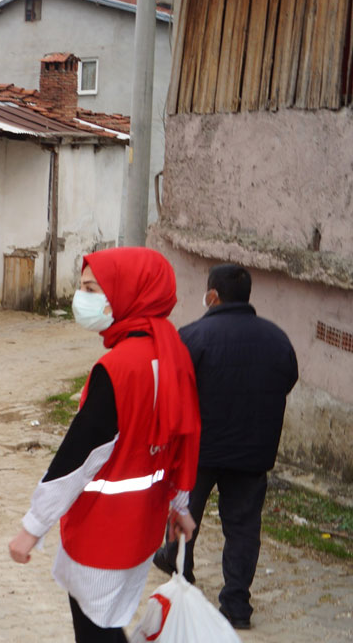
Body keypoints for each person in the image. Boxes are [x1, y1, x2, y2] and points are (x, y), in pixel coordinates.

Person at [8, 247, 201, 643]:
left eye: (93, 288)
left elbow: (78, 457)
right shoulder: (172, 353)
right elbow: (187, 436)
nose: (83, 298)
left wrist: (32, 526)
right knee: (108, 622)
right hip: (142, 526)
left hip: (103, 531)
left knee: (97, 630)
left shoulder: (118, 367)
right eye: (83, 287)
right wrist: (180, 505)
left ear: (127, 291)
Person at [150, 263, 297, 630]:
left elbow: (171, 388)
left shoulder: (193, 336)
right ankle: (236, 605)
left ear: (212, 296)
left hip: (200, 449)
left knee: (185, 512)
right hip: (253, 452)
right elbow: (287, 378)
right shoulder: (277, 339)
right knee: (244, 528)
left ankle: (179, 570)